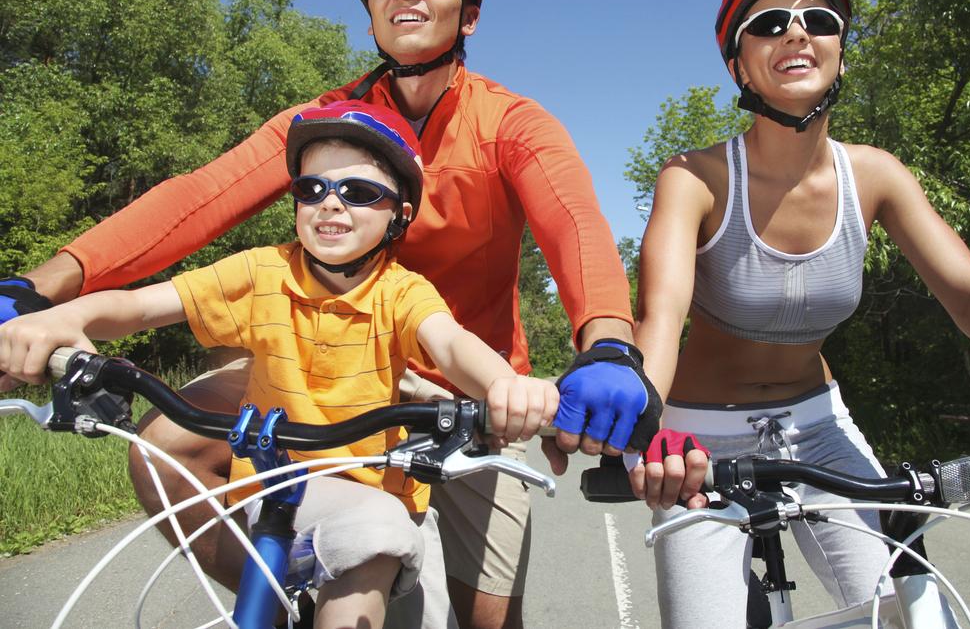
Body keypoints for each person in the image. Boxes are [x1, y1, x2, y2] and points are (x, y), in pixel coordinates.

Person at [0, 0, 658, 629]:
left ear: (468, 14)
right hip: (325, 365)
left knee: (490, 620)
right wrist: (37, 289)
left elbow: (574, 224)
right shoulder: (331, 123)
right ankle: (282, 600)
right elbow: (197, 199)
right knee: (164, 446)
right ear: (370, 8)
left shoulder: (511, 124)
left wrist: (607, 345)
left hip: (466, 382)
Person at [628, 0, 970, 627]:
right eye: (769, 23)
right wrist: (645, 433)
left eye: (819, 21)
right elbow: (660, 315)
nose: (797, 32)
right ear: (740, 68)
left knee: (910, 611)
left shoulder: (876, 175)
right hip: (696, 443)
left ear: (840, 55)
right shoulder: (695, 177)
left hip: (819, 428)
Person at [0, 102, 561, 629]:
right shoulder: (261, 272)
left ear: (400, 214)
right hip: (275, 484)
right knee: (308, 565)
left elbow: (451, 345)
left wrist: (505, 386)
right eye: (311, 188)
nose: (331, 203)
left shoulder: (401, 291)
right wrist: (64, 317)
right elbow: (142, 306)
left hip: (375, 489)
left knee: (382, 550)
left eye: (359, 191)